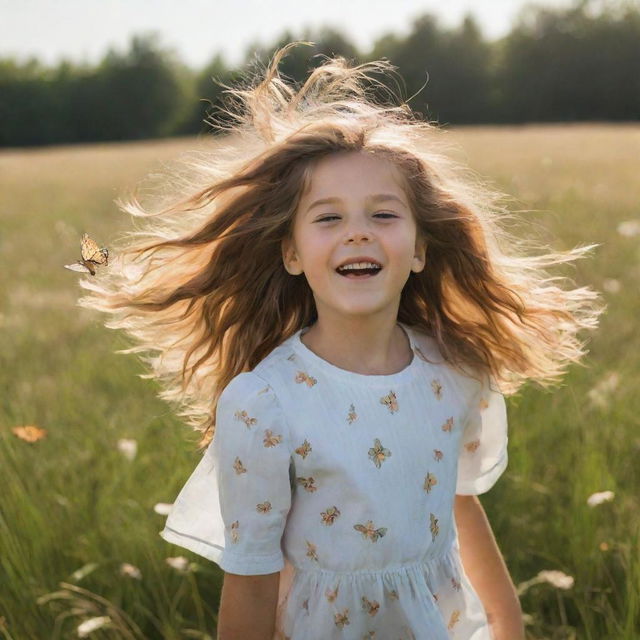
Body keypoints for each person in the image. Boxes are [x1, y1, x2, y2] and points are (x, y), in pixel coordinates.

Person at [79, 42, 603, 640]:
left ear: (421, 247)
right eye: (328, 218)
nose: (357, 233)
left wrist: (508, 623)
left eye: (383, 215)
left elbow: (460, 505)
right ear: (293, 253)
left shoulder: (454, 371)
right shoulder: (264, 404)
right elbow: (250, 580)